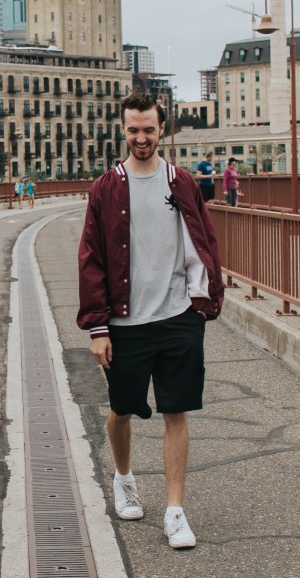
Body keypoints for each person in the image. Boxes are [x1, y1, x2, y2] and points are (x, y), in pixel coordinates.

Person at [77, 91, 223, 549]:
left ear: (163, 130)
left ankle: (175, 511)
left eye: (149, 129)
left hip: (178, 316)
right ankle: (123, 478)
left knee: (175, 412)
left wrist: (202, 304)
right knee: (122, 411)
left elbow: (206, 242)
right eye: (133, 130)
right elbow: (91, 258)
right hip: (125, 323)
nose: (142, 138)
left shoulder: (181, 183)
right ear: (123, 131)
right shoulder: (106, 188)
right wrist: (98, 327)